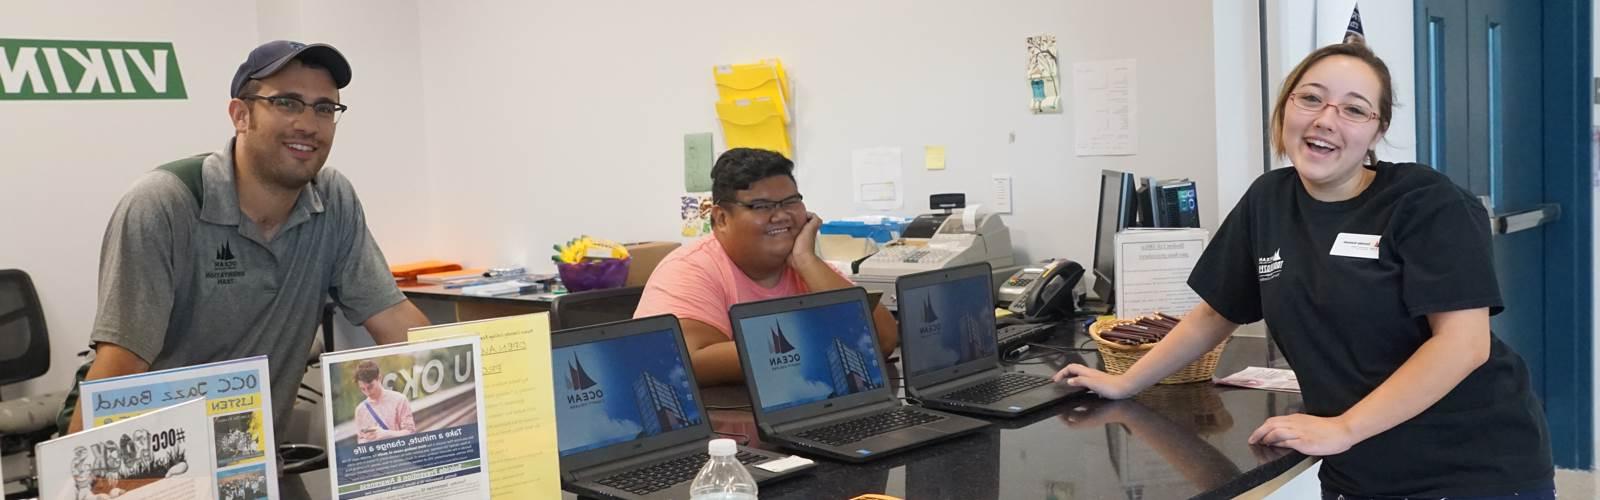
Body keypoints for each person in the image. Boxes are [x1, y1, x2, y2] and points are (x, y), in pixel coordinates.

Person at [1053, 42, 1554, 499]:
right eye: (1310, 98)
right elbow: (1214, 314)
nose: (1326, 120)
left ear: (1377, 131)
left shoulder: (1427, 203)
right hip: (1357, 468)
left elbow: (1463, 345)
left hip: (1470, 467)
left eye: (1354, 109)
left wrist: (1344, 428)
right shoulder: (1268, 200)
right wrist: (1127, 383)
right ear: (1285, 109)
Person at [65, 40, 431, 439]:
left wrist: (484, 387)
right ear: (240, 115)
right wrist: (79, 480)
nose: (308, 124)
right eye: (287, 103)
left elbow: (395, 320)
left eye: (324, 108)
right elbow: (120, 367)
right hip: (158, 459)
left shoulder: (333, 199)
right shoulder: (164, 203)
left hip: (251, 457)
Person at [635, 148, 898, 385]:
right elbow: (689, 360)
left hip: (808, 406)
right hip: (729, 427)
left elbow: (884, 338)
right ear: (722, 218)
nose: (781, 215)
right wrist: (824, 341)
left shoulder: (803, 261)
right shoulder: (690, 269)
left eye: (790, 202)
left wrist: (807, 261)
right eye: (761, 206)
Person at [351, 360, 416, 443]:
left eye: (370, 387)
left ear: (379, 378)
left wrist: (385, 434)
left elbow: (411, 432)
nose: (367, 392)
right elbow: (360, 440)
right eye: (362, 389)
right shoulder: (360, 410)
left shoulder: (399, 400)